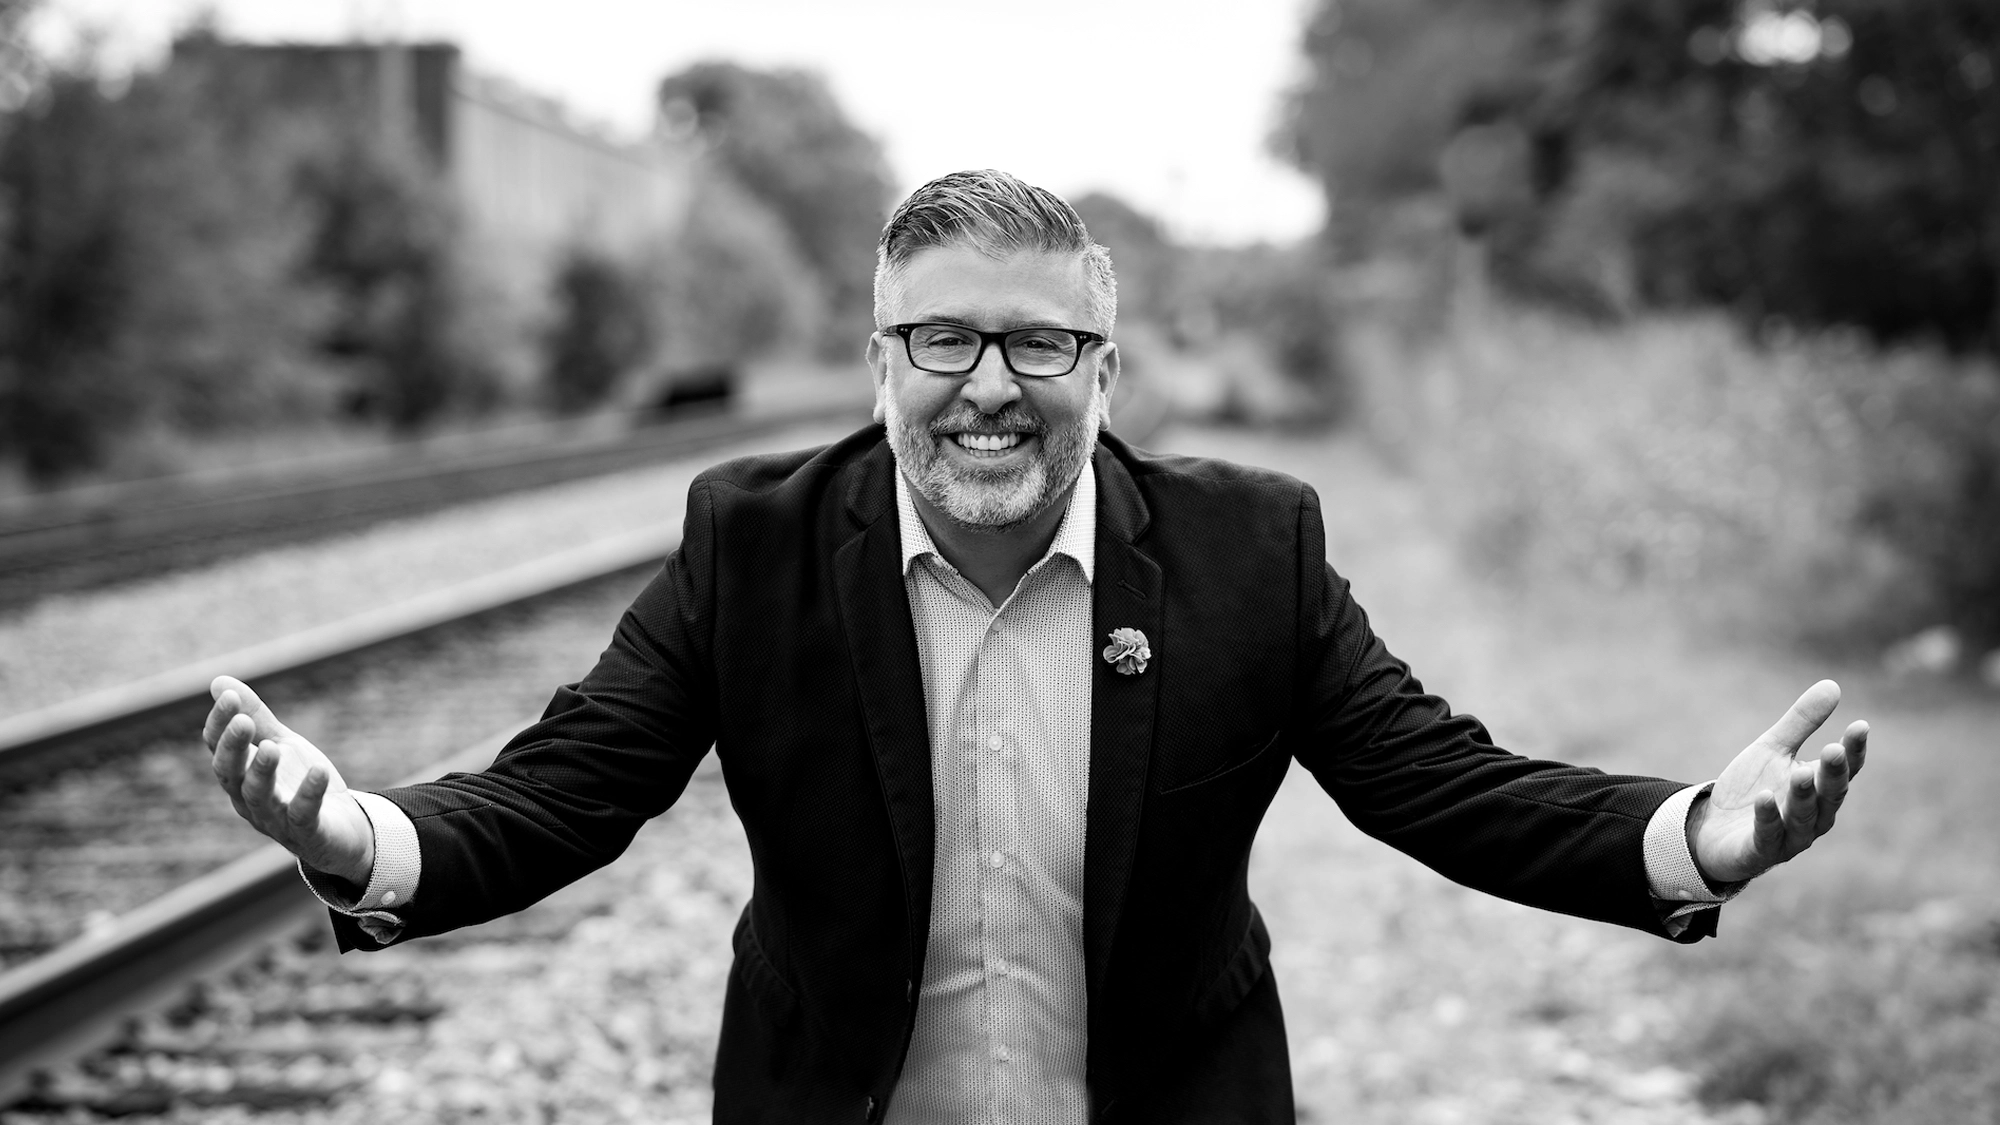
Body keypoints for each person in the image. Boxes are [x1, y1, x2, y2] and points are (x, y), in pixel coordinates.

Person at [203, 169, 1869, 1124]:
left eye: (1038, 342)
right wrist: (363, 836)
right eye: (942, 337)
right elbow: (572, 784)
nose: (987, 385)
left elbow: (1441, 782)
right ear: (877, 364)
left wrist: (1692, 837)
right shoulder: (756, 540)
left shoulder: (1247, 545)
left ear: (1105, 370)